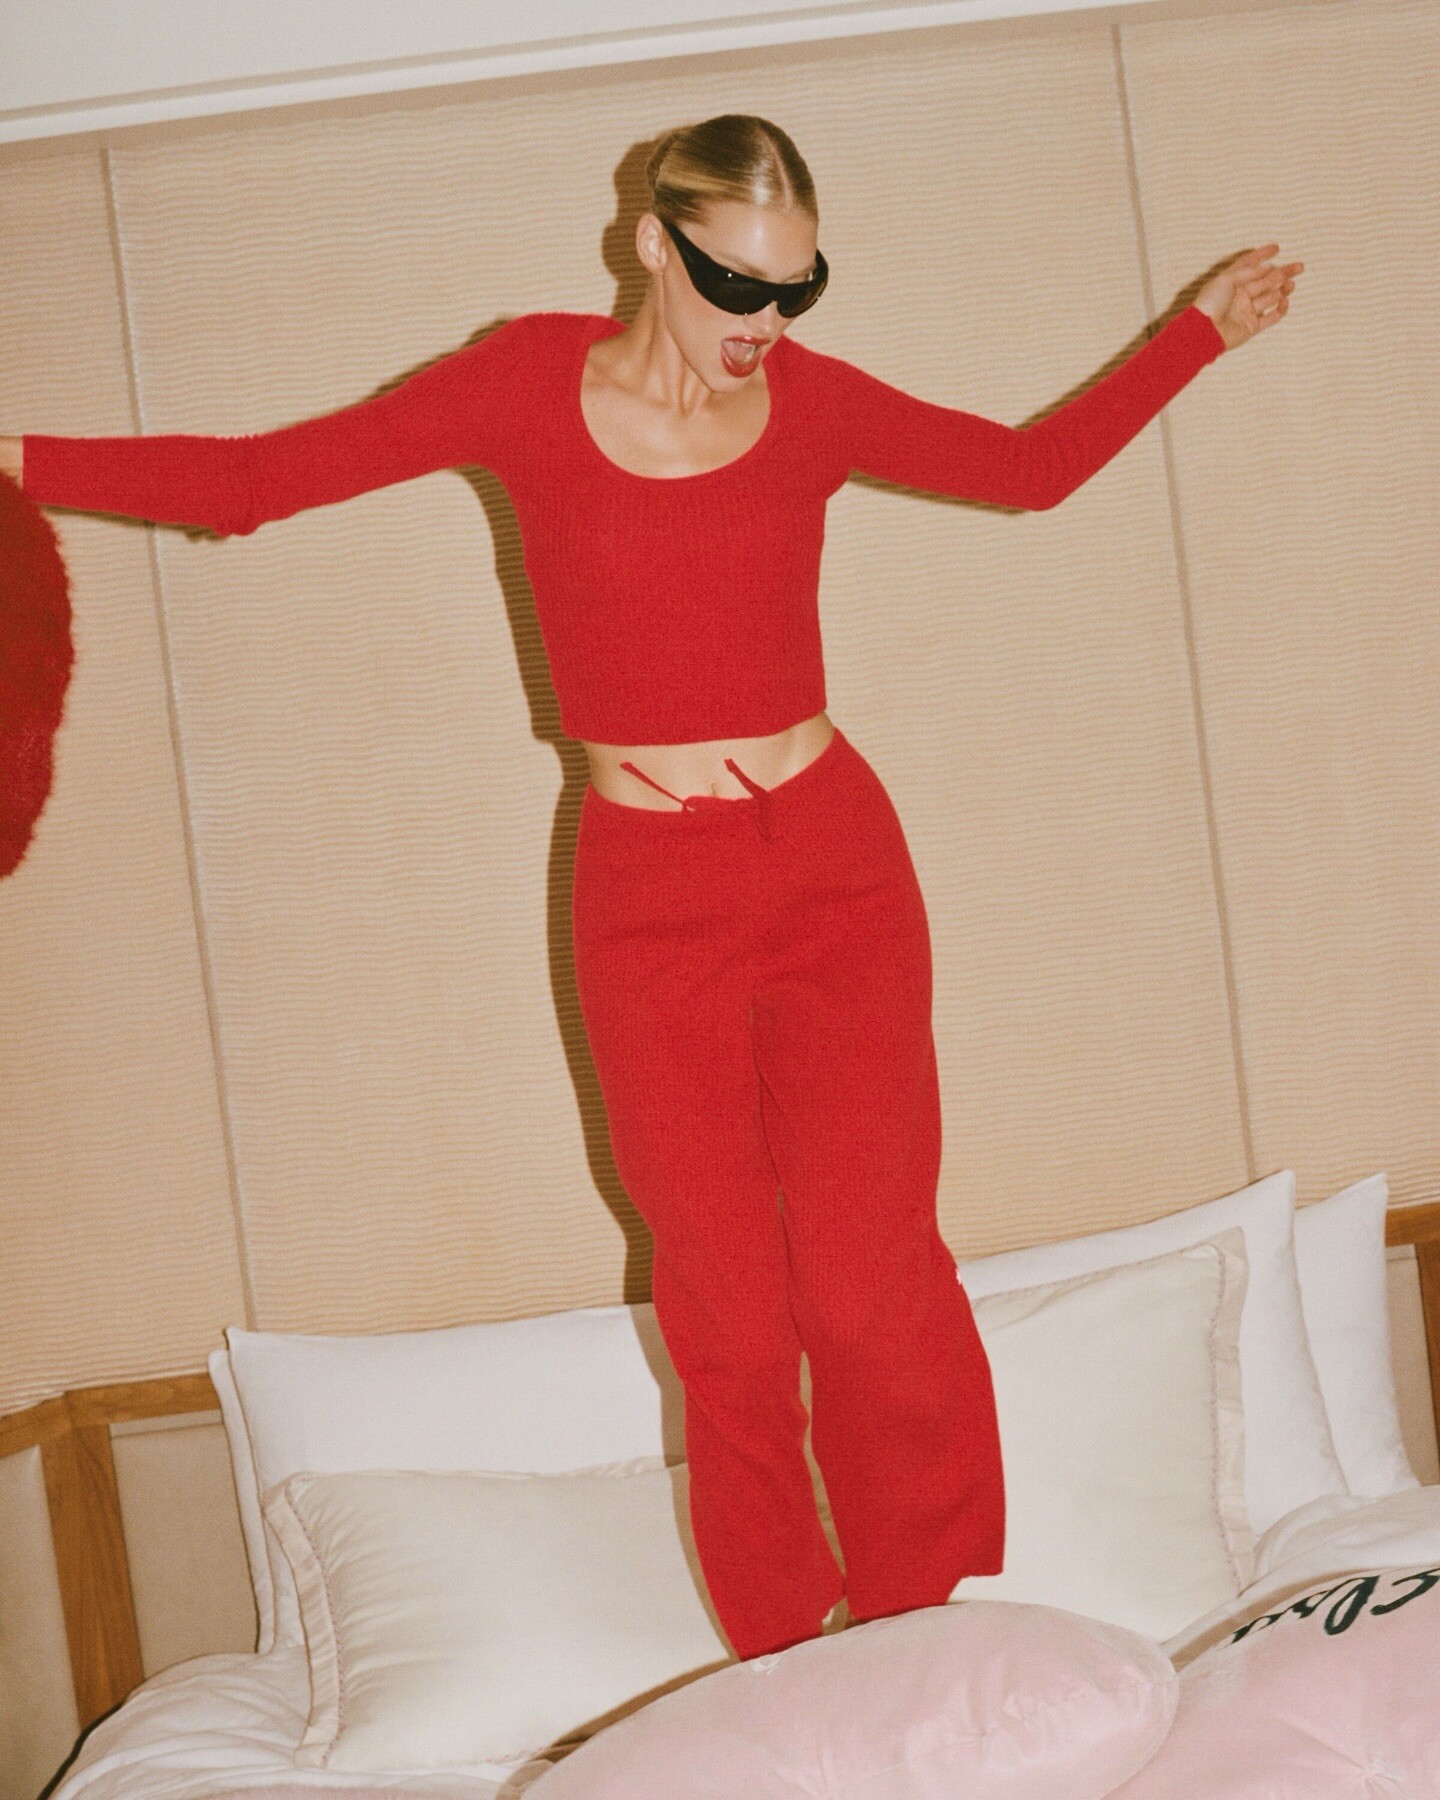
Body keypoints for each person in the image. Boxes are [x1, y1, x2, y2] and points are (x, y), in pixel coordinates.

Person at [0, 113, 1302, 1663]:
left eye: (796, 288)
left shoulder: (810, 407)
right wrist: (17, 460)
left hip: (834, 871)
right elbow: (254, 481)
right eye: (733, 283)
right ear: (648, 245)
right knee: (729, 1316)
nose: (764, 323)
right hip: (646, 894)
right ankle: (792, 1656)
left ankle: (932, 1628)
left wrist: (1195, 335)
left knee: (868, 1287)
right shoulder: (517, 385)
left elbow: (1024, 473)